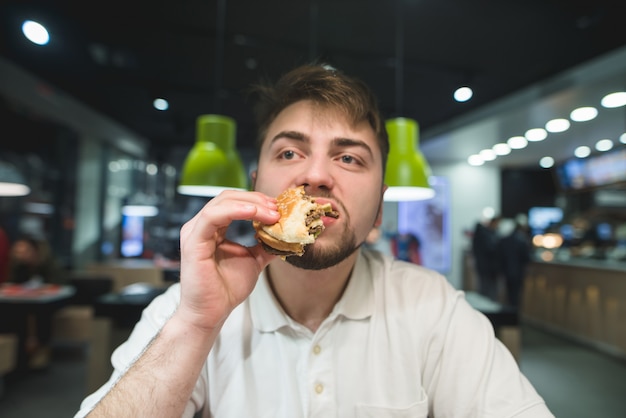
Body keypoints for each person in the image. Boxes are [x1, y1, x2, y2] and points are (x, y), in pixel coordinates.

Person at [75, 64, 553, 417]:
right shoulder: (186, 309)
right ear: (257, 186)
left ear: (378, 212)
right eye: (290, 151)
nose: (317, 174)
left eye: (349, 159)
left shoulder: (433, 308)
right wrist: (197, 325)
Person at [4, 235, 65, 369]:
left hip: (51, 302)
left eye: (25, 251)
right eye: (18, 252)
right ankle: (19, 352)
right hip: (24, 302)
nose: (21, 255)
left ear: (34, 251)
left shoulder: (47, 264)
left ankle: (41, 349)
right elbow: (13, 284)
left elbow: (59, 283)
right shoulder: (19, 266)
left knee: (40, 311)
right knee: (14, 311)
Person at [499, 222, 532, 309]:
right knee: (516, 295)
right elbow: (526, 257)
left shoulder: (504, 240)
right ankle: (514, 315)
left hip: (506, 271)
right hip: (518, 271)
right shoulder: (521, 241)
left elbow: (500, 256)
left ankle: (508, 313)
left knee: (508, 294)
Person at [471, 215, 502, 301]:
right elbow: (491, 249)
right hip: (488, 267)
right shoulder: (487, 234)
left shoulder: (483, 233)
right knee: (487, 291)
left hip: (485, 266)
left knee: (485, 289)